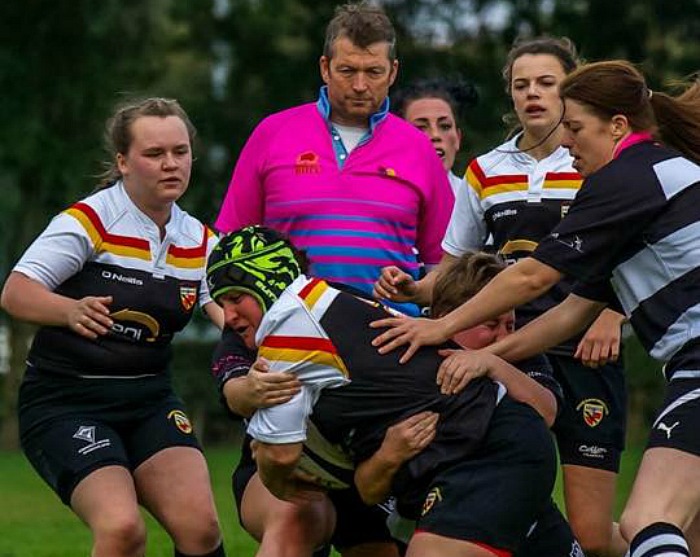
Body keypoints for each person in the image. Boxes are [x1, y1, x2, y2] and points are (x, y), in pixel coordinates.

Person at [369, 60, 700, 557]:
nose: (565, 142)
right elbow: (569, 313)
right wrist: (490, 356)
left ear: (617, 127)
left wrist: (443, 328)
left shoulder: (627, 178)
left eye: (575, 127)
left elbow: (531, 276)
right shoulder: (654, 176)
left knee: (645, 519)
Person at [206, 225, 559, 557]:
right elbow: (367, 486)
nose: (229, 314)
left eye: (238, 297)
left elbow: (280, 455)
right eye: (222, 303)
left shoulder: (291, 327)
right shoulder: (325, 309)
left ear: (269, 279)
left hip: (491, 447)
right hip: (464, 457)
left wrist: (275, 478)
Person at [0, 98, 226, 557]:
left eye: (180, 152)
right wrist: (68, 310)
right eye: (154, 153)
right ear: (123, 162)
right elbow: (15, 292)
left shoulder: (200, 240)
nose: (170, 164)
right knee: (123, 530)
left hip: (148, 398)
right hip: (66, 401)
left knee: (200, 529)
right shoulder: (89, 221)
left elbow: (227, 311)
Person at [214, 2, 454, 317]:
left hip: (391, 336)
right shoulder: (272, 133)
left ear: (393, 72)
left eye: (373, 72)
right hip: (289, 332)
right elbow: (230, 247)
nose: (359, 85)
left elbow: (448, 269)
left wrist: (419, 291)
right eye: (347, 71)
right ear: (325, 68)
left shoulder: (418, 148)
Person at [392, 77, 478, 195]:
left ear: (458, 138)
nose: (435, 135)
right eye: (420, 128)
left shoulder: (475, 201)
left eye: (445, 126)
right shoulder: (384, 198)